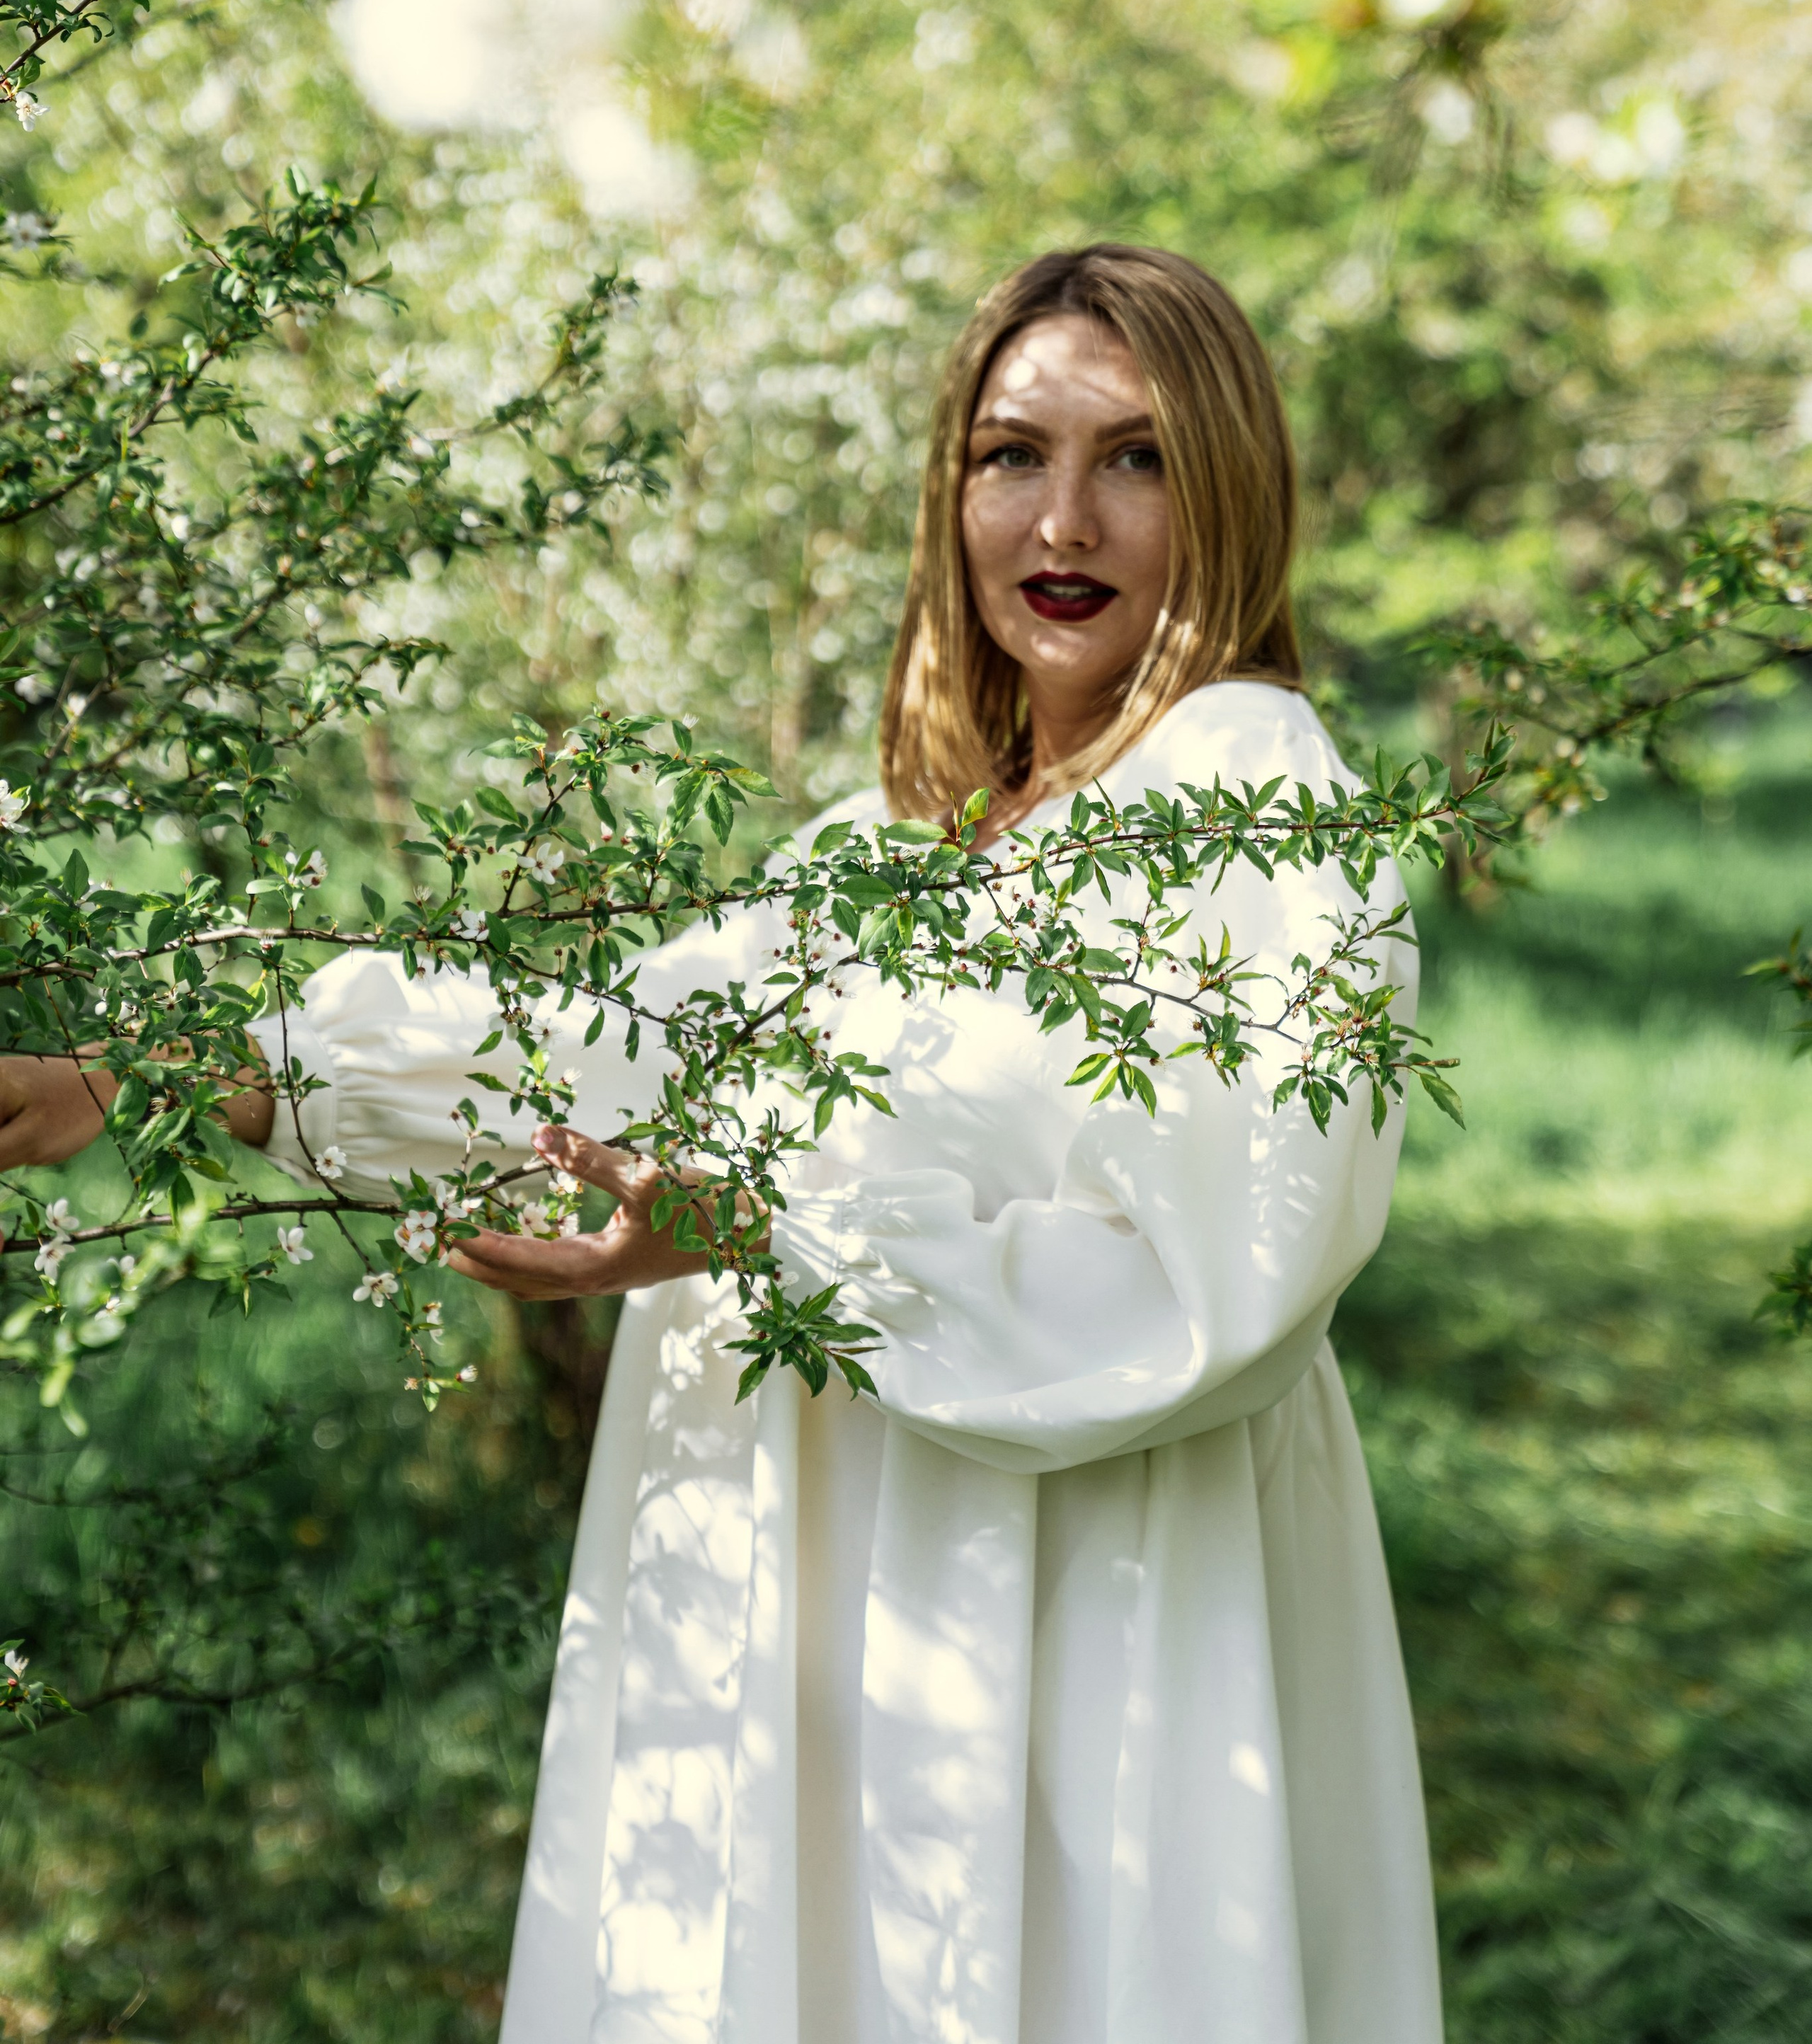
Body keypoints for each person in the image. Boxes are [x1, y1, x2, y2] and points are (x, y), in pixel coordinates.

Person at [0, 244, 1444, 2044]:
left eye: (1134, 458)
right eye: (1010, 455)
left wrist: (773, 1235)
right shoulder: (891, 844)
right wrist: (159, 1073)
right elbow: (616, 1053)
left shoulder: (1249, 787)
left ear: (1226, 488)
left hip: (1080, 1597)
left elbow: (1219, 1281)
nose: (1061, 516)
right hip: (818, 1603)